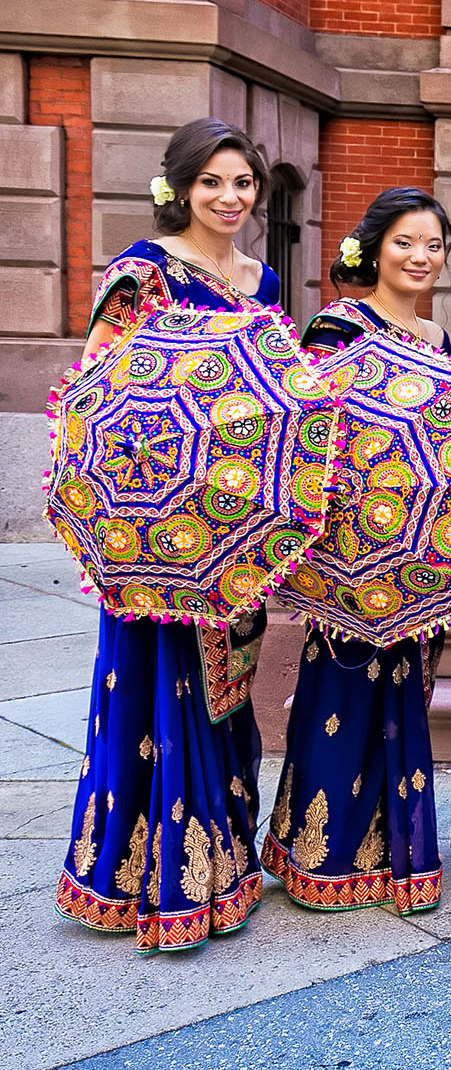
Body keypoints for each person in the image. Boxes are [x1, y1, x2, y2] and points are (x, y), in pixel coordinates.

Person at [59, 118, 278, 952]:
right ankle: (157, 883)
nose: (230, 199)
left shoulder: (259, 278)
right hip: (158, 534)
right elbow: (99, 402)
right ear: (179, 188)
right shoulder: (141, 275)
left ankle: (227, 865)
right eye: (214, 183)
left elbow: (275, 399)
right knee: (161, 696)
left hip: (241, 537)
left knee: (229, 703)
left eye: (244, 184)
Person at [262, 187, 451, 916]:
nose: (420, 257)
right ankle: (324, 856)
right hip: (348, 546)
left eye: (434, 245)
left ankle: (396, 858)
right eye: (406, 242)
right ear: (375, 248)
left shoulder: (437, 337)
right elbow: (305, 429)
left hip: (421, 547)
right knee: (342, 689)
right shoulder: (339, 326)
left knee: (405, 690)